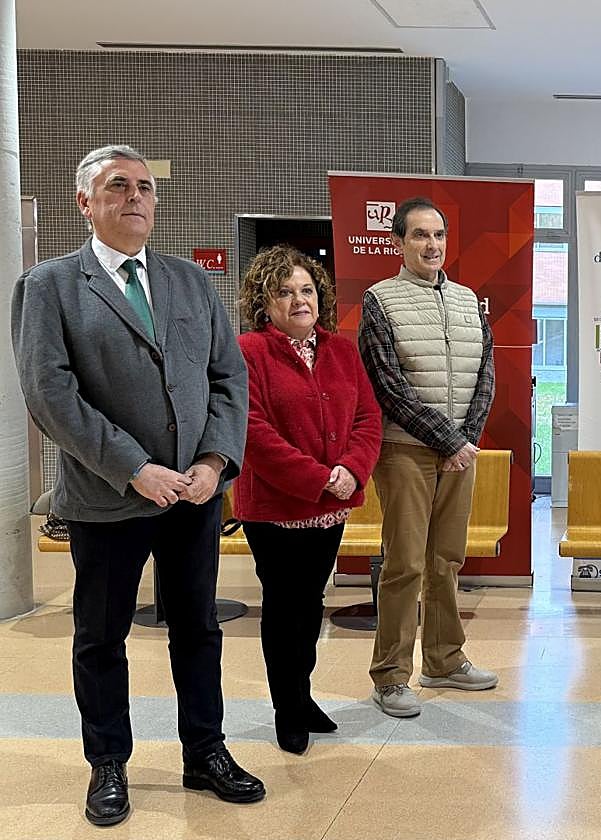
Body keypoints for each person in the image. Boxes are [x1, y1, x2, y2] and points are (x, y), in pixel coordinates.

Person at [10, 145, 263, 826]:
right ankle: (108, 764)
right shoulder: (51, 286)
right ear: (84, 203)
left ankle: (204, 752)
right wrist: (131, 466)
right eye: (118, 187)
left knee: (198, 629)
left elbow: (227, 379)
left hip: (191, 495)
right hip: (107, 496)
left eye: (146, 187)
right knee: (100, 635)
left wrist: (213, 461)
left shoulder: (190, 283)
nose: (136, 198)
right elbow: (50, 393)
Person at [234, 245, 381, 754]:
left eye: (307, 290)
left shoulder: (342, 350)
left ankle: (302, 694)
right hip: (276, 508)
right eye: (285, 291)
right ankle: (287, 707)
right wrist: (318, 477)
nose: (300, 300)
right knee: (283, 606)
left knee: (312, 602)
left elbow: (367, 418)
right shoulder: (248, 351)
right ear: (264, 301)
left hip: (331, 504)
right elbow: (251, 431)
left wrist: (352, 470)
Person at [359, 196, 497, 718]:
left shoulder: (468, 300)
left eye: (438, 235)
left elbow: (486, 375)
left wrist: (465, 440)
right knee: (405, 564)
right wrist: (448, 440)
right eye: (419, 235)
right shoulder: (380, 300)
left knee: (447, 560)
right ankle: (391, 676)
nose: (431, 245)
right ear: (398, 242)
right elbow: (387, 386)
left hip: (460, 452)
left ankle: (444, 659)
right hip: (405, 452)